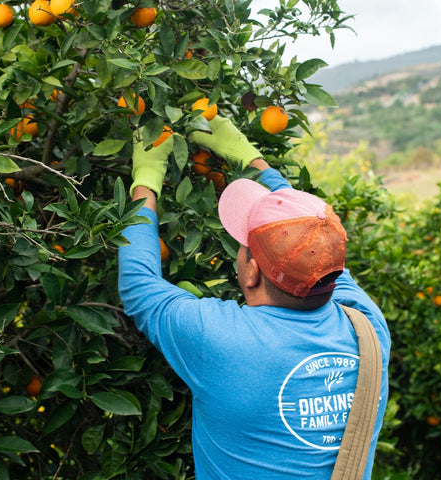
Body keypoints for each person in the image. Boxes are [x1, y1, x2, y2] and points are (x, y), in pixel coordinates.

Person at [118, 116, 391, 480]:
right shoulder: (367, 326)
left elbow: (139, 284)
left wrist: (146, 180)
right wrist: (252, 159)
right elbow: (312, 235)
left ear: (251, 272)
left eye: (244, 245)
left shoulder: (222, 339)